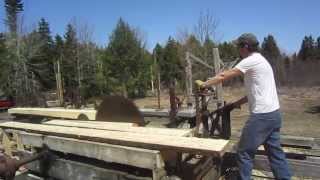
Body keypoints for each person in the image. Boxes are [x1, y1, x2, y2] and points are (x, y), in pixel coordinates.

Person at [200, 33, 291, 180]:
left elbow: (224, 76)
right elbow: (254, 94)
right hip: (274, 115)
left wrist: (205, 84)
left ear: (246, 47)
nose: (237, 49)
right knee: (276, 154)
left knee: (243, 152)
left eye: (239, 46)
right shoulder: (261, 61)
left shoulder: (251, 60)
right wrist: (235, 104)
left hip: (262, 117)